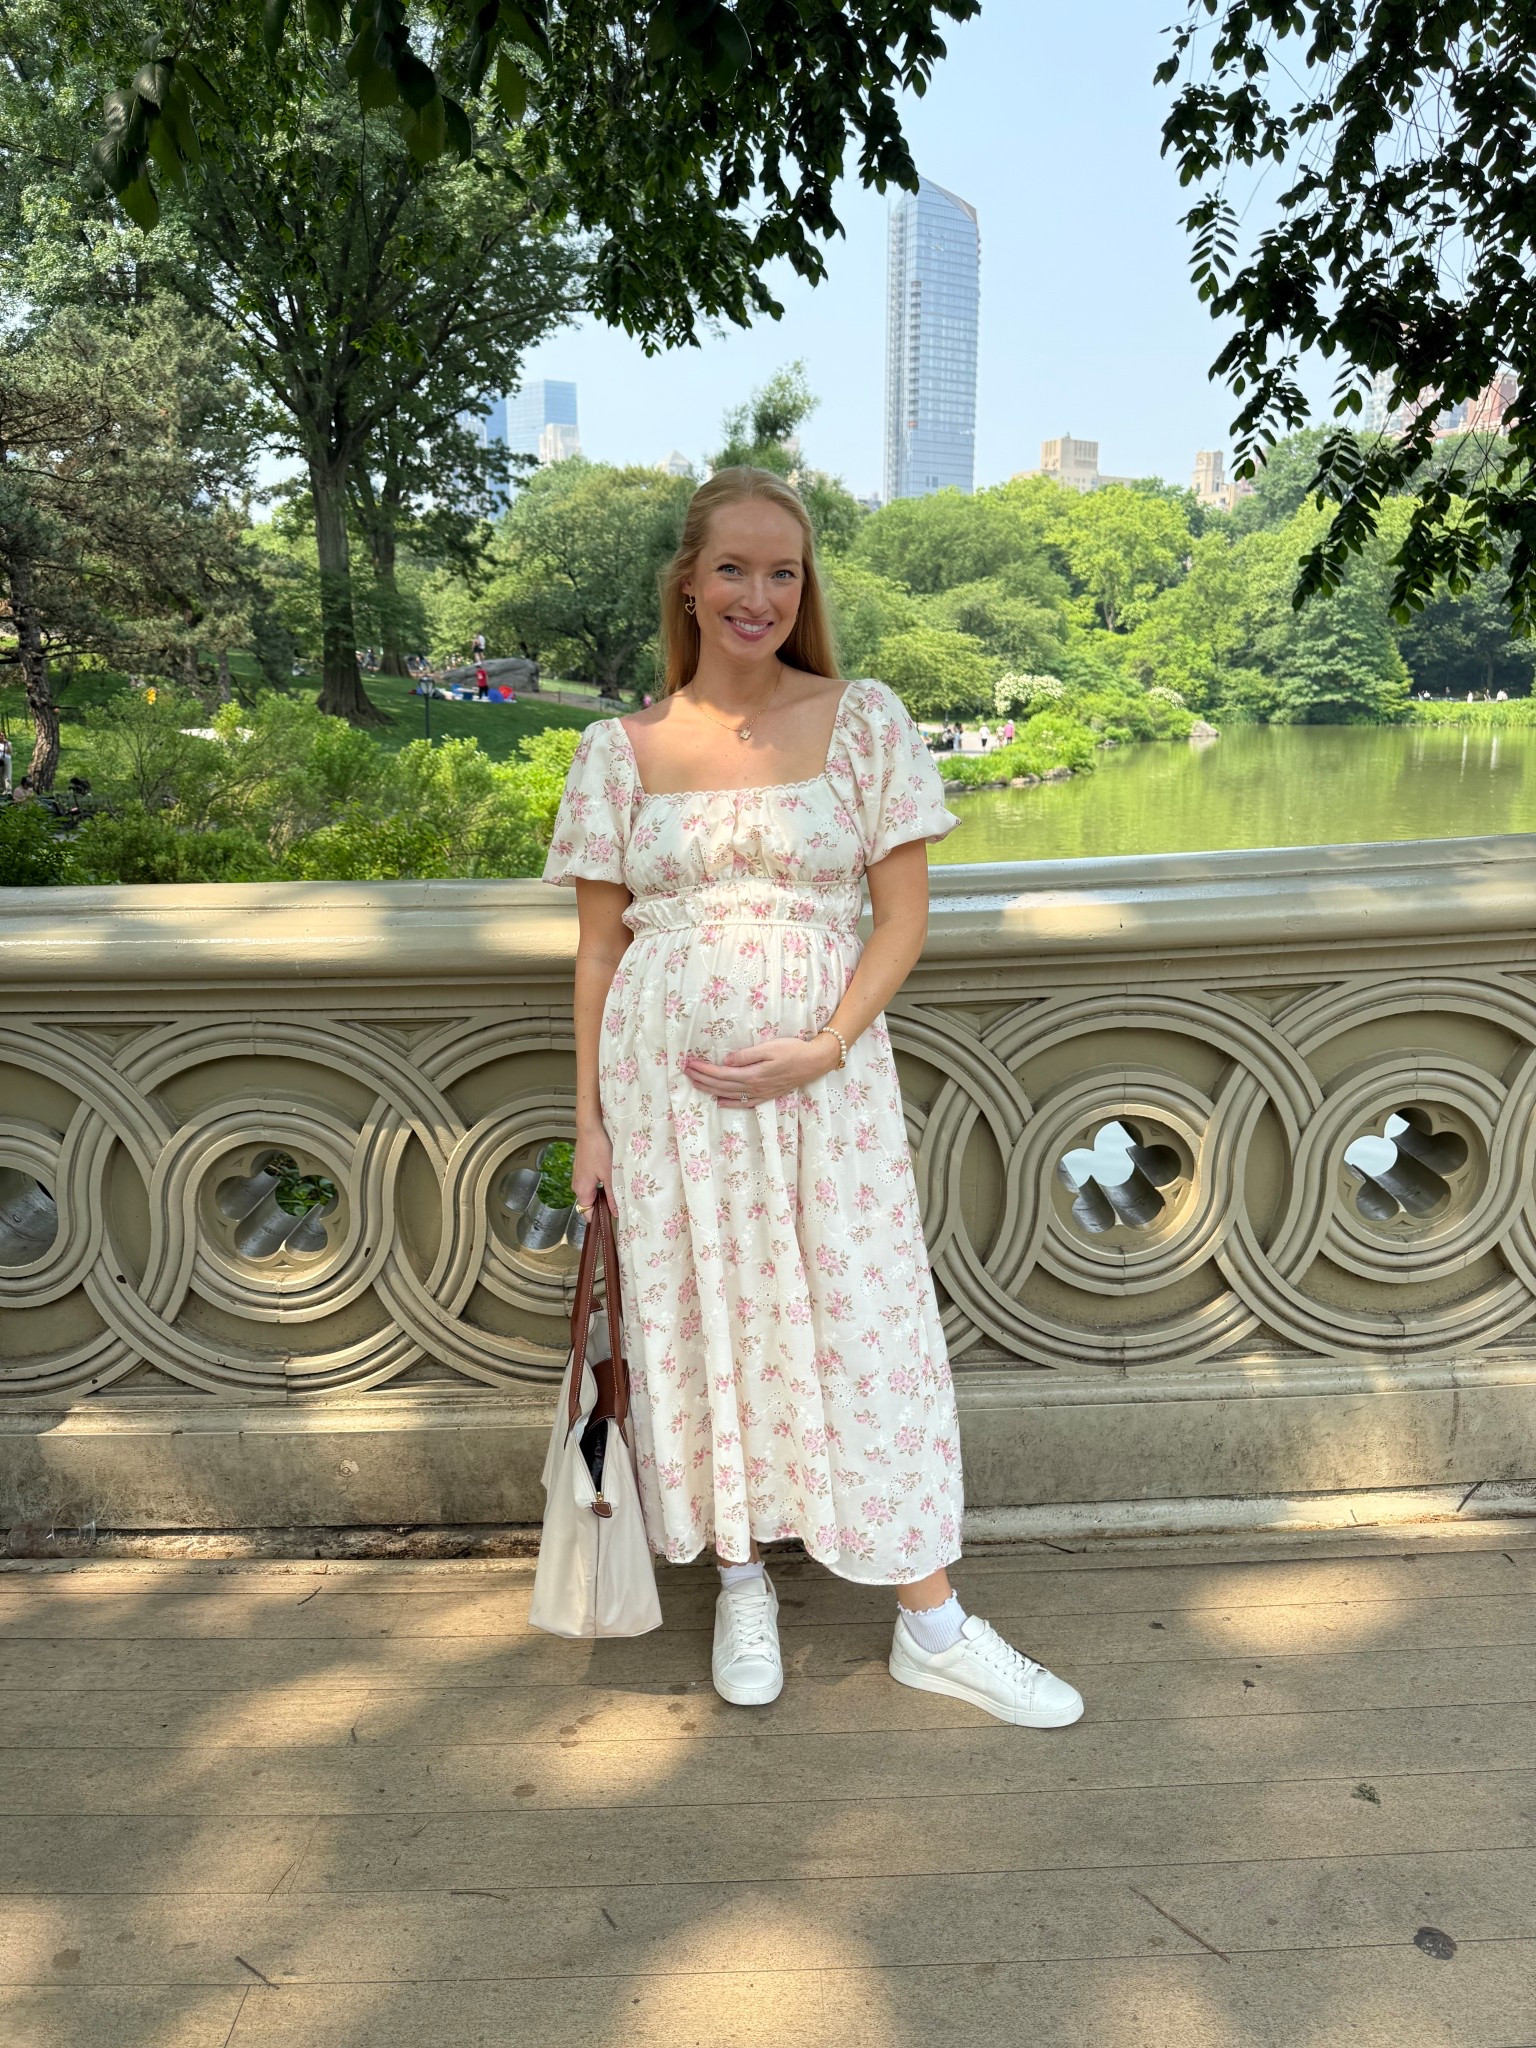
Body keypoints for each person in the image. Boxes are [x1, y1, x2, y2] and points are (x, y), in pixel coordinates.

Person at [541, 466, 1084, 1730]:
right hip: (664, 1100)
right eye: (733, 568)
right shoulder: (616, 751)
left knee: (864, 1321)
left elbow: (903, 915)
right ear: (687, 580)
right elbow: (599, 951)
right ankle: (742, 1580)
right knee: (702, 1325)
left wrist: (825, 1040)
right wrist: (592, 1121)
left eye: (783, 572)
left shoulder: (865, 719)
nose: (759, 596)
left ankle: (931, 1621)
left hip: (826, 1096)